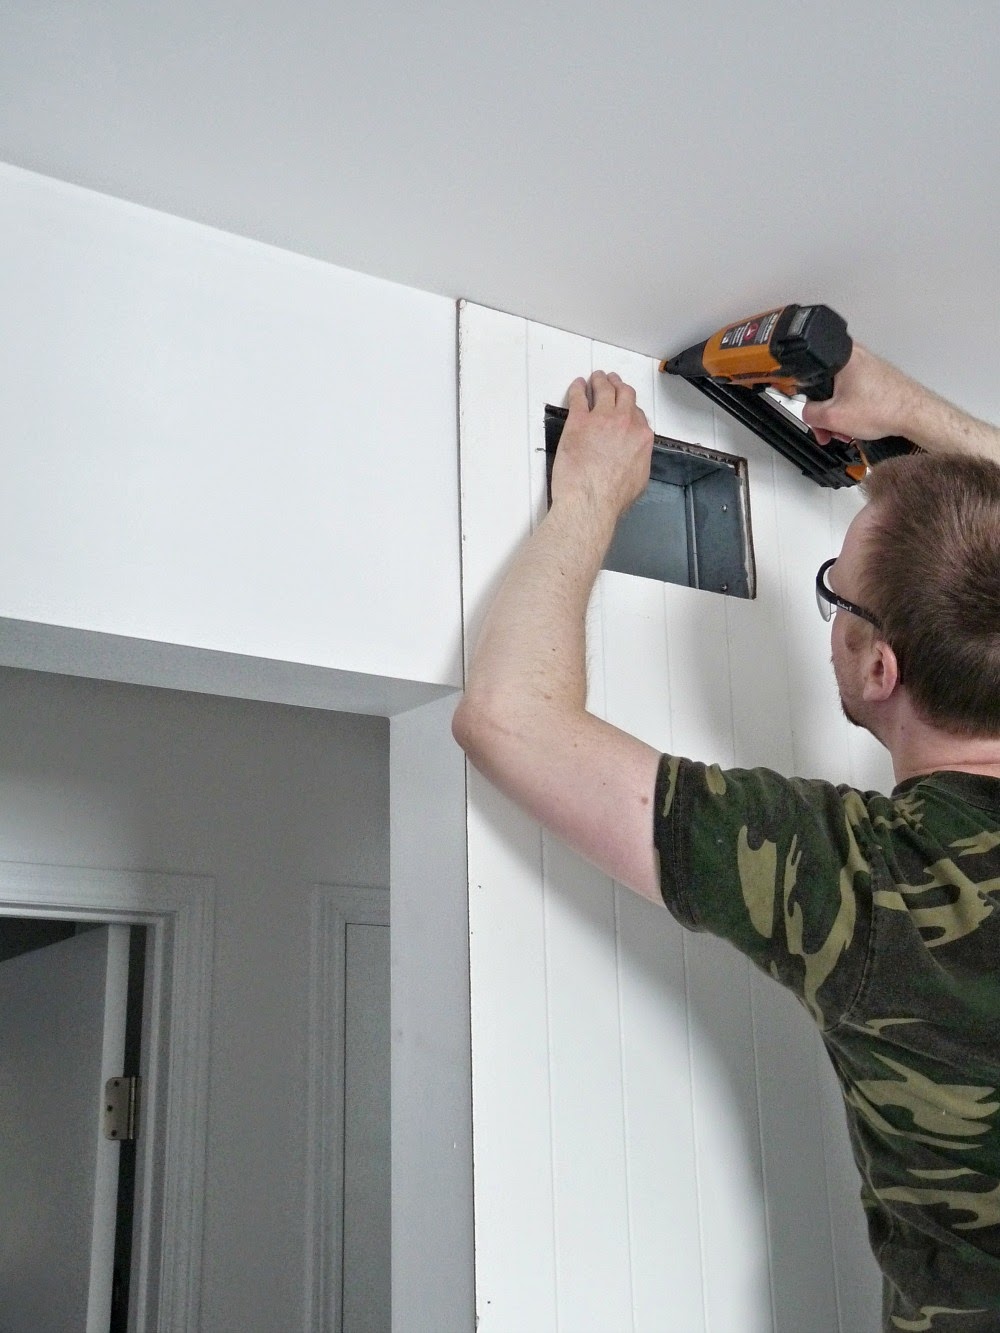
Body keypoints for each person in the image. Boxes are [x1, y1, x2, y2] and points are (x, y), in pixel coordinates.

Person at [451, 344, 1000, 1332]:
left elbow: (508, 719)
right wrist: (909, 409)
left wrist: (584, 500)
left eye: (836, 592)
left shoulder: (870, 879)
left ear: (877, 666)